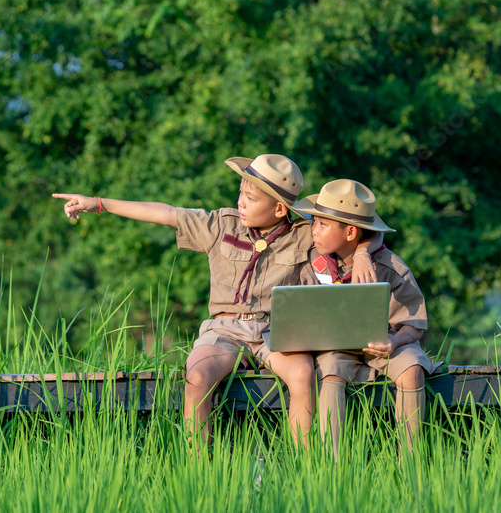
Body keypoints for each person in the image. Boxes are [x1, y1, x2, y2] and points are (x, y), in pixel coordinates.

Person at [52, 154, 379, 448]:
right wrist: (98, 203)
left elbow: (359, 228)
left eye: (250, 198)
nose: (241, 202)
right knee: (196, 375)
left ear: (280, 209)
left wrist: (363, 253)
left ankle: (307, 467)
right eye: (241, 193)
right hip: (225, 330)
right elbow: (167, 213)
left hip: (277, 331)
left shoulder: (304, 235)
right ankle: (201, 467)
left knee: (302, 375)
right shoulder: (220, 225)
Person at [293, 179, 440, 457]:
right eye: (315, 221)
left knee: (412, 368)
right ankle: (331, 467)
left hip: (384, 344)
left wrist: (395, 341)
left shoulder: (391, 267)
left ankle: (409, 463)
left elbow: (415, 322)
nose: (314, 230)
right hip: (335, 347)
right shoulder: (313, 264)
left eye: (323, 224)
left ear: (350, 232)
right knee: (330, 369)